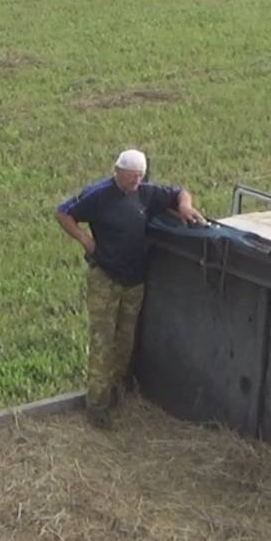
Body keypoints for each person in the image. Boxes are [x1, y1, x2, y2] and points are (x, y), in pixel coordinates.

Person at [56, 148, 206, 429]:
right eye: (132, 176)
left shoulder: (146, 193)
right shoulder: (99, 195)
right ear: (118, 172)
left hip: (134, 281)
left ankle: (116, 392)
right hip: (106, 278)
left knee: (124, 342)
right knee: (102, 343)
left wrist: (184, 205)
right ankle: (97, 406)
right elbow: (63, 212)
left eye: (140, 175)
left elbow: (179, 192)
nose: (137, 180)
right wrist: (86, 241)